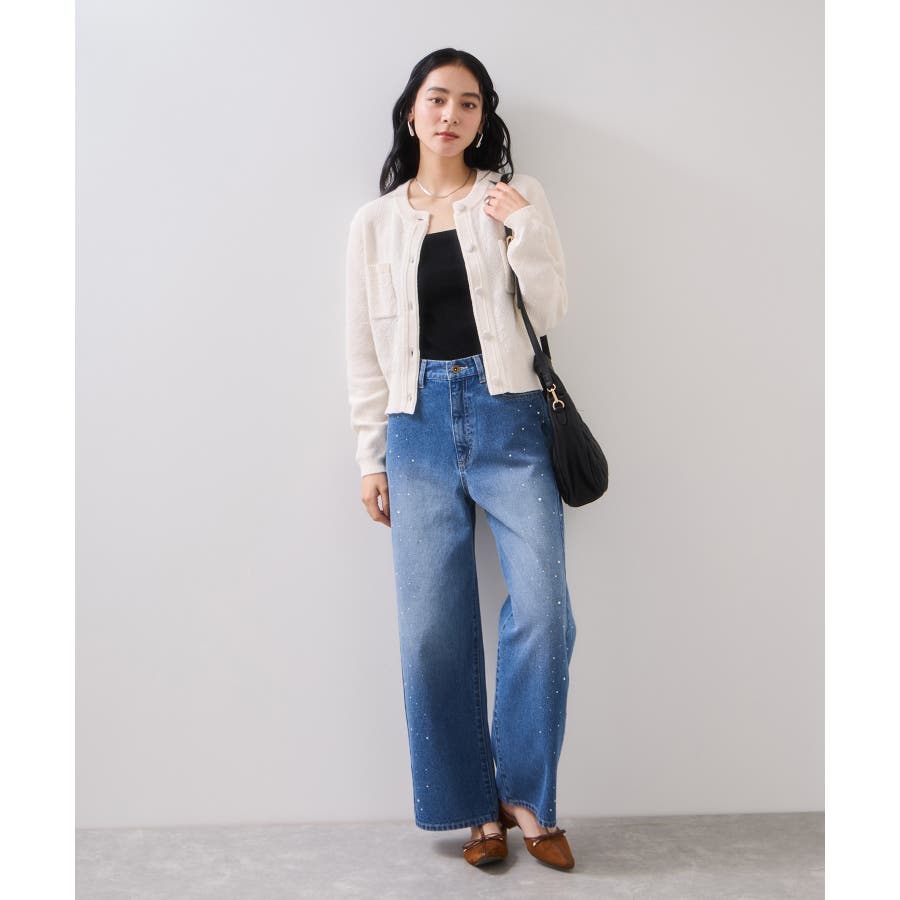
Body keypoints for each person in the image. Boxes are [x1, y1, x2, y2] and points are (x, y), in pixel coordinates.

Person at [344, 48, 577, 870]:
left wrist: (523, 227)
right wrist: (370, 456)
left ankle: (526, 796)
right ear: (412, 111)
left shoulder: (514, 196)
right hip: (415, 429)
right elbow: (363, 349)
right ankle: (473, 808)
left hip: (510, 417)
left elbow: (550, 309)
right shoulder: (375, 223)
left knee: (545, 611)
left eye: (469, 103)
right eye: (438, 99)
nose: (451, 114)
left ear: (483, 118)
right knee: (430, 633)